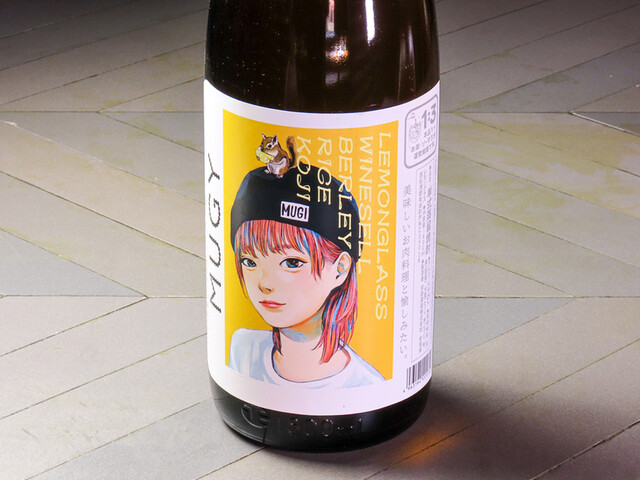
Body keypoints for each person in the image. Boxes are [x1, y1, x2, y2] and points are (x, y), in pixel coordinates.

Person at [228, 160, 384, 388]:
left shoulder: (367, 385)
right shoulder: (243, 348)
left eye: (291, 263)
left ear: (340, 268)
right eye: (249, 261)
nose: (264, 283)